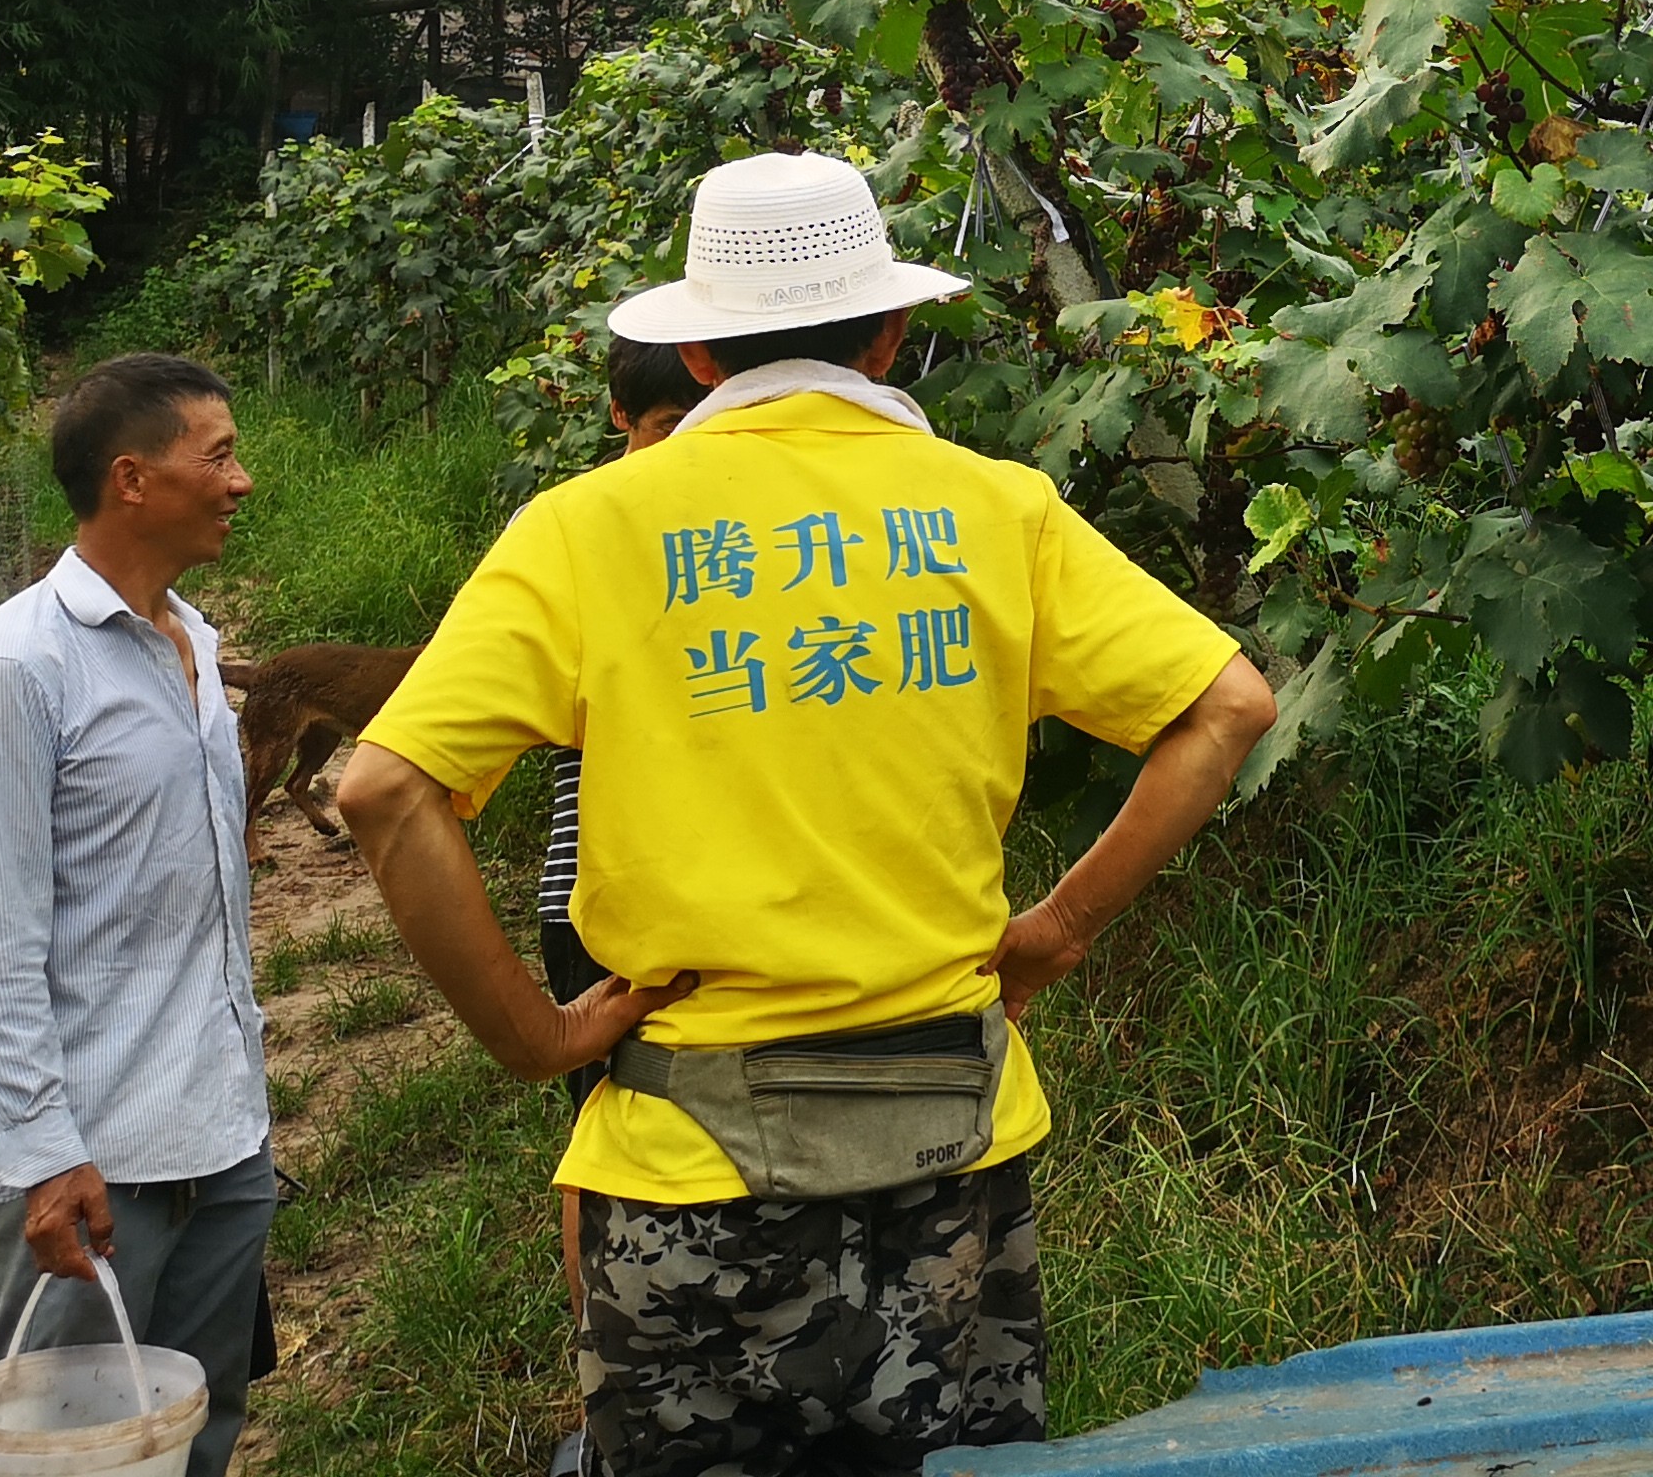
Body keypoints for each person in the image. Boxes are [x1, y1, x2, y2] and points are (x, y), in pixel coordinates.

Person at [338, 150, 1276, 1472]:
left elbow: (386, 791)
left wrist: (534, 1036)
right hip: (955, 1150)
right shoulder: (997, 509)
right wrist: (1058, 927)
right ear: (892, 332)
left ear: (704, 353)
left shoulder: (586, 528)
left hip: (691, 1166)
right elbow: (1227, 708)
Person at [0, 354, 276, 1477]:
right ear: (131, 478)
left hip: (221, 1130)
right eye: (216, 455)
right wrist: (40, 1157)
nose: (241, 480)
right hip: (94, 1162)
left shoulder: (193, 642)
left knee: (196, 1428)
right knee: (75, 1451)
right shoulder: (14, 673)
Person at [535, 334, 706, 1466]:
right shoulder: (591, 528)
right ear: (616, 421)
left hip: (690, 884)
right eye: (655, 431)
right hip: (595, 896)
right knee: (609, 1131)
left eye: (690, 428)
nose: (673, 452)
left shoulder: (713, 532)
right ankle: (609, 1371)